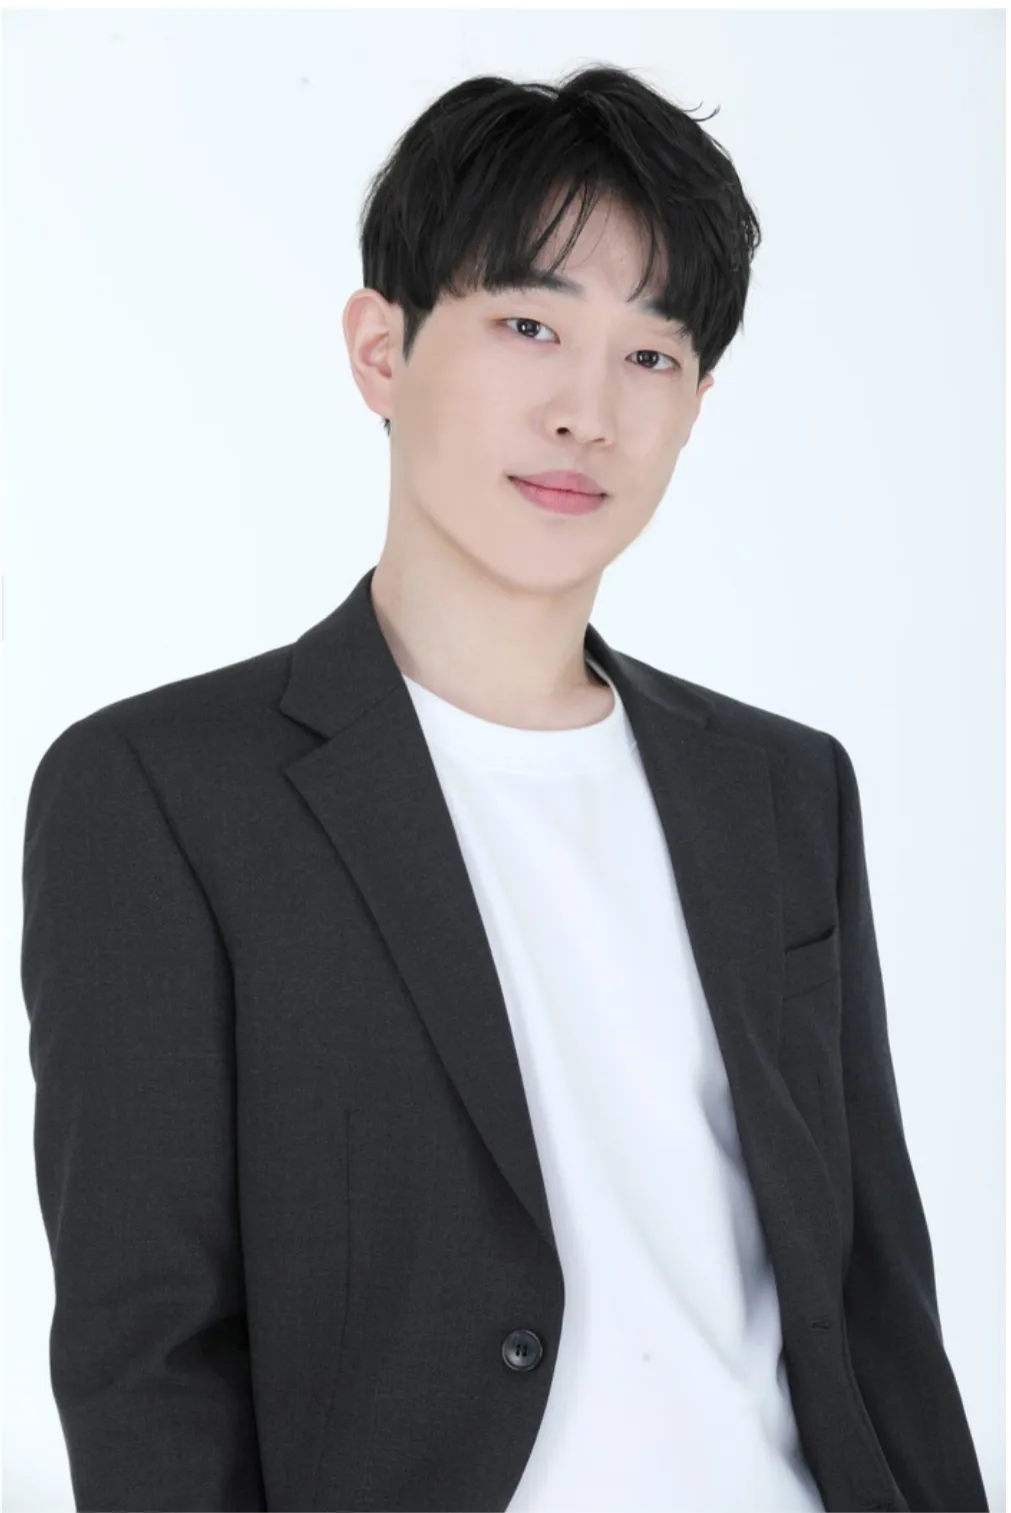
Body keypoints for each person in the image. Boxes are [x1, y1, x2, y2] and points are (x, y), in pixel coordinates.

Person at [20, 63, 988, 1513]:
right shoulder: (161, 794)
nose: (586, 412)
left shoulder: (786, 790)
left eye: (650, 355)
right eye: (529, 325)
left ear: (695, 405)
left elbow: (877, 1305)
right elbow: (148, 1360)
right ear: (381, 349)